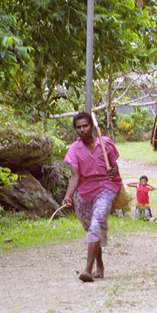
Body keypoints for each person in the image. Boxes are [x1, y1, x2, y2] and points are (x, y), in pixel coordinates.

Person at [62, 112, 123, 283]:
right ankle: (99, 264)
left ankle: (87, 270)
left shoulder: (106, 143)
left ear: (92, 126)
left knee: (96, 224)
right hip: (84, 192)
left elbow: (114, 164)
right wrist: (68, 196)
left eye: (85, 126)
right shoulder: (74, 149)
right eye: (78, 127)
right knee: (91, 229)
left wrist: (114, 170)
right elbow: (75, 176)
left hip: (106, 187)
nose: (82, 129)